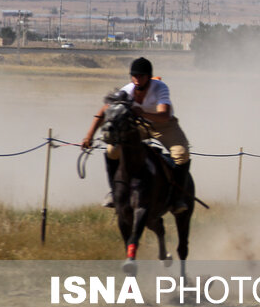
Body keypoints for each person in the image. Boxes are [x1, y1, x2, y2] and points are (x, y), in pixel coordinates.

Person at [81, 57, 192, 213]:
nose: (137, 80)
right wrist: (89, 136)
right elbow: (103, 112)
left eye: (141, 76)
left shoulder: (160, 88)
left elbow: (165, 115)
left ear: (148, 76)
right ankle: (114, 192)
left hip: (164, 125)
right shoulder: (126, 91)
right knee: (112, 151)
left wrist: (143, 113)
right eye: (134, 76)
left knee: (181, 154)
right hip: (138, 125)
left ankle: (177, 199)